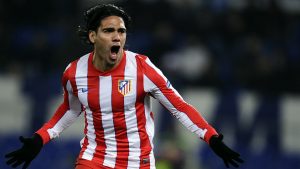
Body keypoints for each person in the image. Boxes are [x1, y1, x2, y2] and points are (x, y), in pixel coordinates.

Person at [5, 4, 243, 169]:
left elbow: (179, 107)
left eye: (121, 31)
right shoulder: (73, 72)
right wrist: (40, 139)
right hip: (94, 159)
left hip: (137, 161)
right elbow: (70, 109)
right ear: (92, 36)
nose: (117, 37)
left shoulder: (142, 68)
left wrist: (212, 138)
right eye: (109, 31)